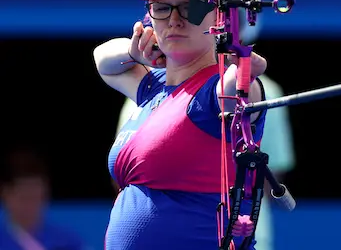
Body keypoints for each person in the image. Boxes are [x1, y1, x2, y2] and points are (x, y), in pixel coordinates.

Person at [95, 0, 269, 249]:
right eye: (162, 9)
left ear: (219, 17)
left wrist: (240, 59)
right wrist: (134, 49)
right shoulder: (153, 87)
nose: (175, 20)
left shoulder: (213, 92)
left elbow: (240, 89)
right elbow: (103, 60)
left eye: (190, 8)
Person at [113, 74, 295, 250]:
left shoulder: (258, 88)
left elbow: (270, 171)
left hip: (232, 229)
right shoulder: (146, 86)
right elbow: (120, 171)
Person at [0, 146, 88, 250]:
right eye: (24, 198)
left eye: (36, 198)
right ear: (5, 194)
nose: (30, 206)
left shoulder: (68, 242)